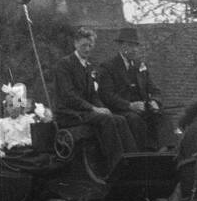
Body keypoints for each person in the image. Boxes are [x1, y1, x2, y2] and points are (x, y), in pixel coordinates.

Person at [52, 27, 136, 173]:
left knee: (119, 119)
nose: (87, 49)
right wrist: (94, 109)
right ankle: (116, 165)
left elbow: (93, 95)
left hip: (85, 112)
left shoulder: (88, 66)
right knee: (106, 120)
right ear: (76, 44)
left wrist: (103, 108)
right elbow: (68, 95)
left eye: (90, 45)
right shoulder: (64, 65)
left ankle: (134, 159)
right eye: (84, 45)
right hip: (69, 113)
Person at [98, 26, 166, 152]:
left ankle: (166, 152)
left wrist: (155, 101)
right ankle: (139, 155)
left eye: (136, 46)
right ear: (122, 47)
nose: (135, 49)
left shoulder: (140, 66)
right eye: (131, 45)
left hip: (142, 108)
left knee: (162, 115)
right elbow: (107, 95)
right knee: (134, 119)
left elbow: (155, 89)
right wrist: (129, 105)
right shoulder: (108, 67)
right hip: (120, 111)